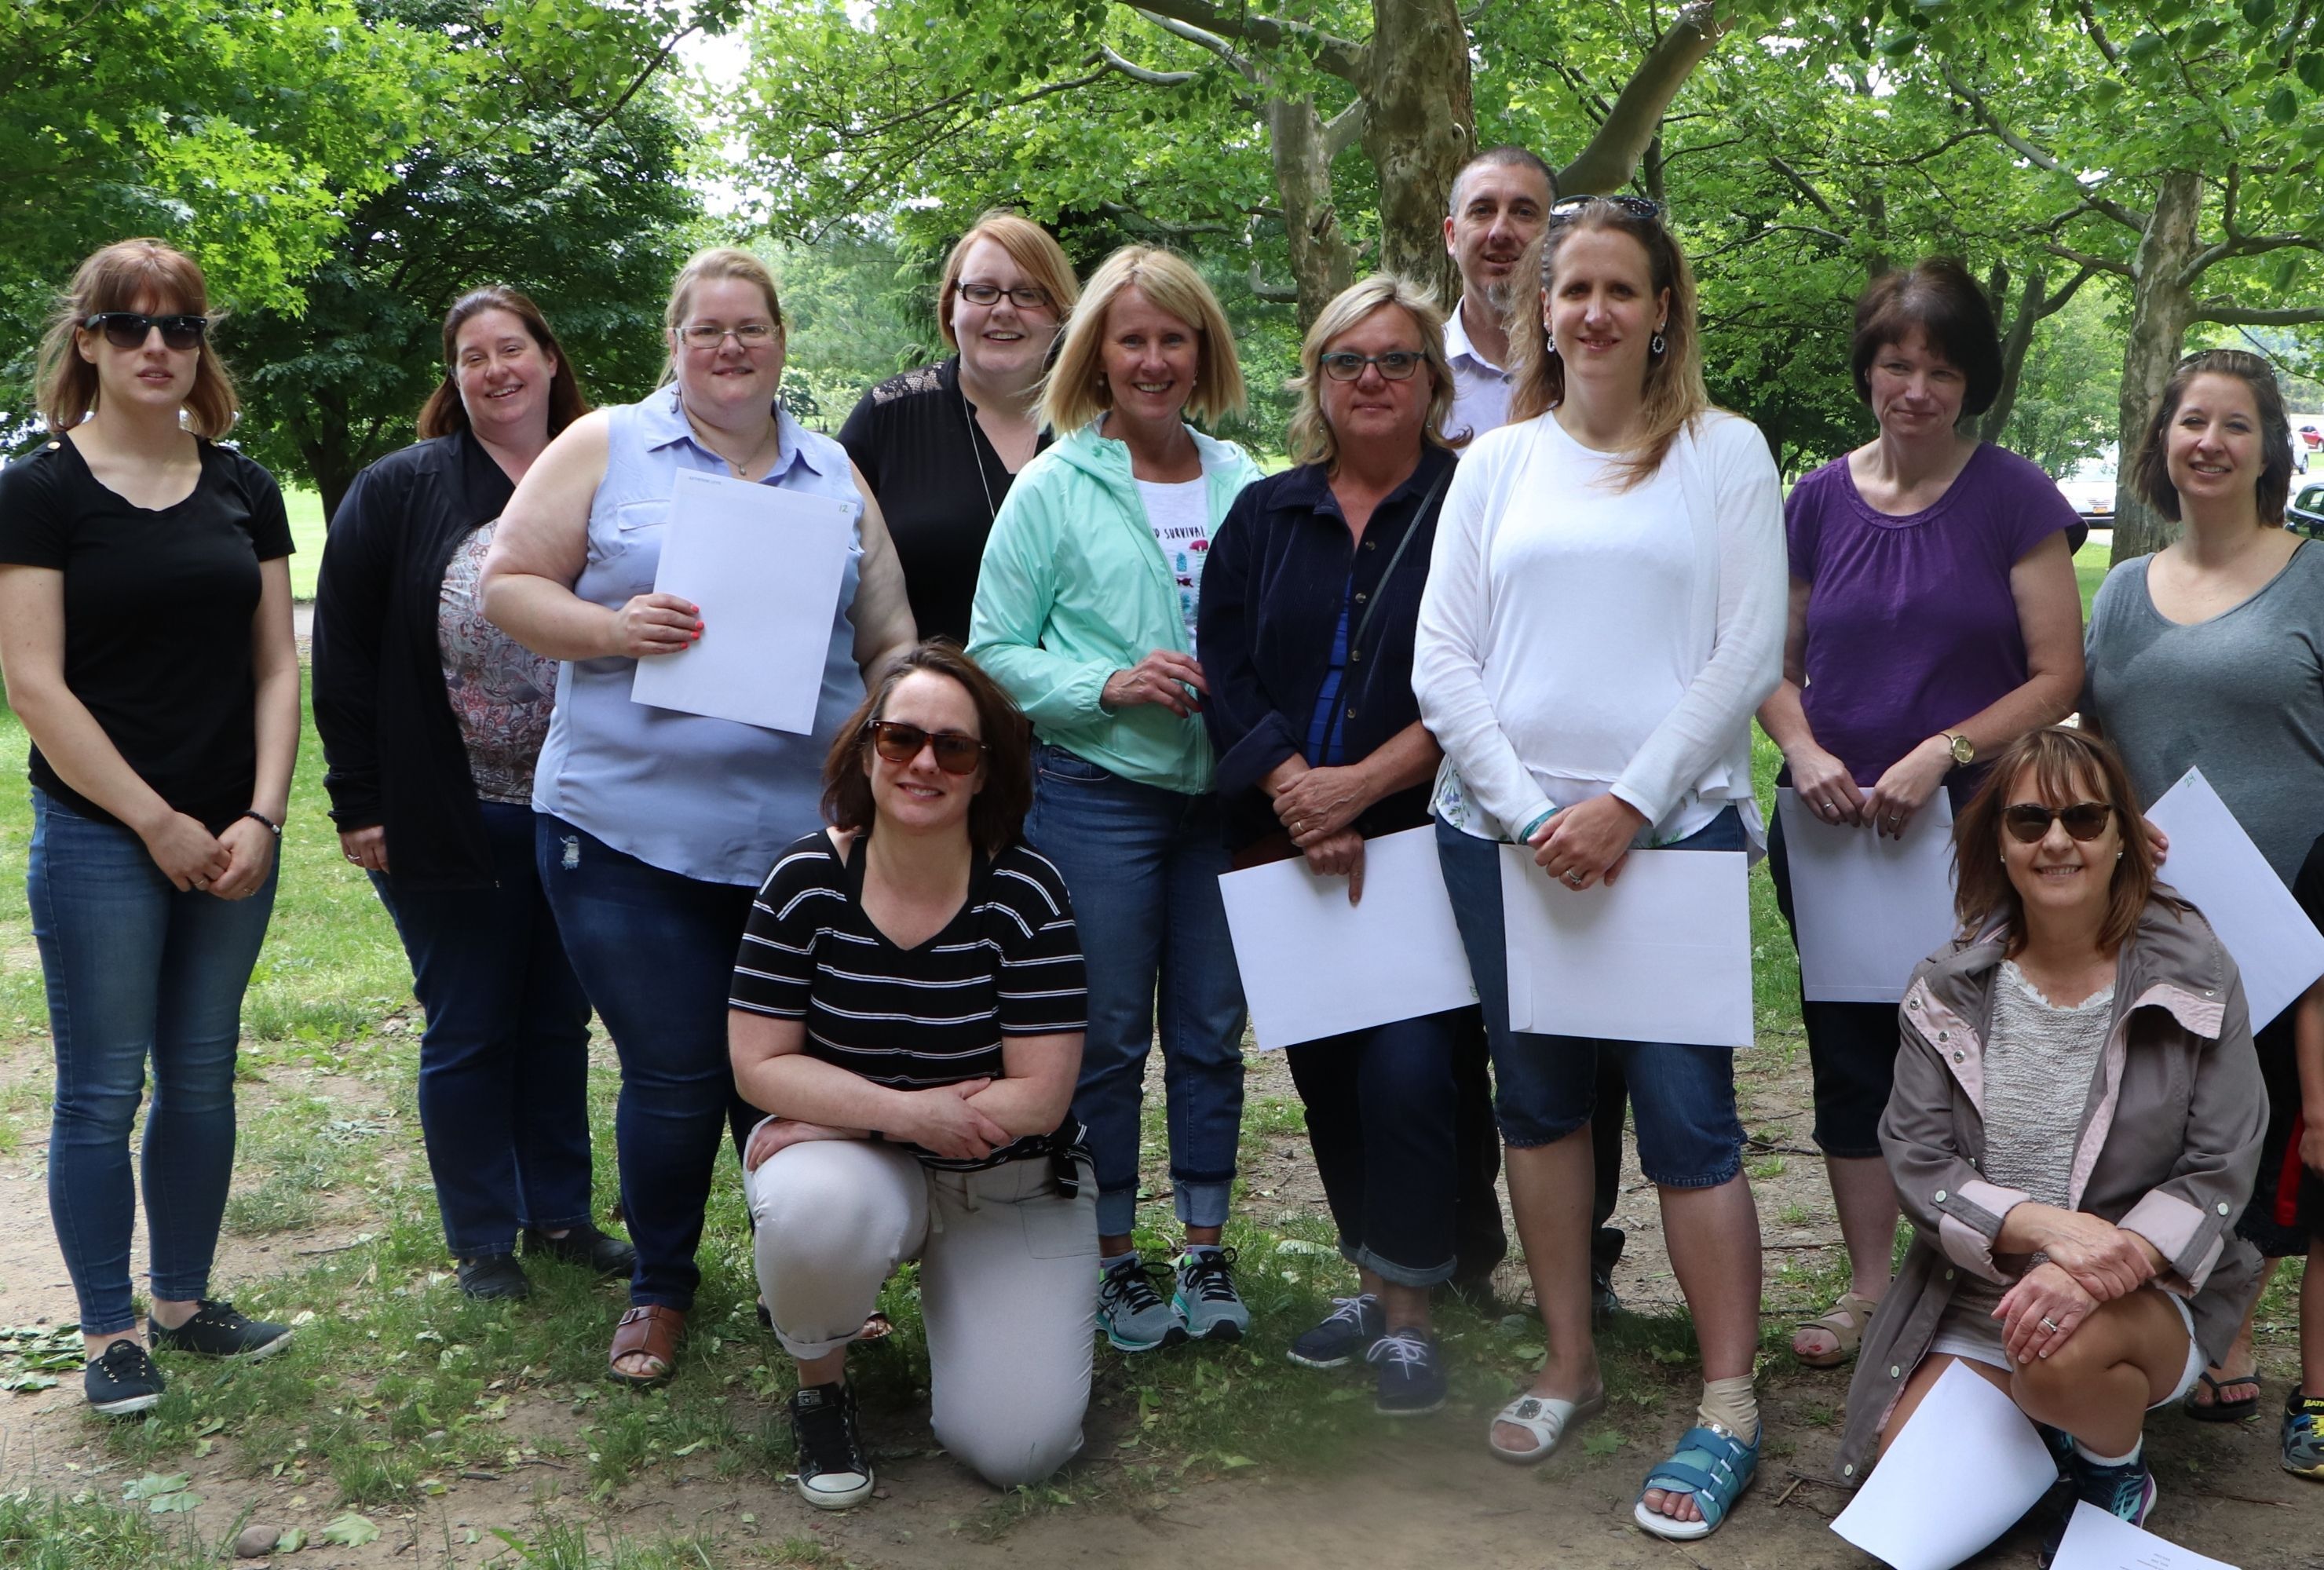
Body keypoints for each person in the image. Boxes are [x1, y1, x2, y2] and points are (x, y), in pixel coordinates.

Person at [1414, 195, 1785, 1537]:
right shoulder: (1495, 464)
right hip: (1504, 843)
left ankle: (1727, 1396)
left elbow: (1745, 651)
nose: (1593, 312)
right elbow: (1441, 659)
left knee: (1690, 1122)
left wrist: (1626, 804)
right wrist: (1528, 816)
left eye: (1621, 290)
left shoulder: (1723, 453)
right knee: (1540, 1105)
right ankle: (1569, 1355)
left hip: (1666, 843)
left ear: (1663, 309)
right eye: (1572, 291)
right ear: (1539, 311)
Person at [481, 248, 917, 1386]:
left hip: (801, 846)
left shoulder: (833, 474)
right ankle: (661, 1287)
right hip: (623, 832)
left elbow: (892, 641)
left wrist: (889, 754)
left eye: (751, 327)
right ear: (673, 343)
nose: (731, 346)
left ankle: (815, 1283)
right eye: (706, 328)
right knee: (678, 1068)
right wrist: (614, 629)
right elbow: (509, 584)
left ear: (781, 341)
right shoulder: (606, 447)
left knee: (799, 1064)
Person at [1757, 259, 2086, 1368]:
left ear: (1971, 383)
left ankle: (1982, 1280)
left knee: (1989, 1061)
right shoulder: (1813, 501)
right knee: (1853, 1056)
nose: (1916, 388)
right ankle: (1865, 1292)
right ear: (1868, 370)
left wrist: (1941, 751)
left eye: (1942, 370)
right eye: (1897, 363)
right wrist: (1802, 749)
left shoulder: (2016, 498)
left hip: (1978, 831)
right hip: (1835, 834)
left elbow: (2056, 677)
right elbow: (1771, 662)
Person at [1836, 727, 2266, 1554]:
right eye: (2029, 821)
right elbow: (1917, 1159)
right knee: (1909, 1525)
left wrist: (2104, 1264)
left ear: (2121, 837)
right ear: (1996, 841)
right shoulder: (1946, 982)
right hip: (1977, 1299)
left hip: (2143, 1295)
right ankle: (2054, 1434)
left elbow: (2221, 1160)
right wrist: (2044, 1228)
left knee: (2061, 1361)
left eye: (2082, 818)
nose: (2057, 840)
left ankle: (2113, 1466)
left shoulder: (2196, 969)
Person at [0, 239, 298, 1416]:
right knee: (100, 1090)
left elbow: (279, 667)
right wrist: (155, 821)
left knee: (204, 1076)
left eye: (181, 327)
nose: (159, 347)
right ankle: (108, 1330)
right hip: (99, 837)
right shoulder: (39, 490)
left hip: (236, 832)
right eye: (131, 326)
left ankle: (182, 1300)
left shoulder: (244, 486)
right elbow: (34, 684)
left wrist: (262, 814)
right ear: (88, 343)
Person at [967, 245, 1262, 1353]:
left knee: (1208, 1030)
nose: (1151, 359)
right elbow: (991, 653)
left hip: (1221, 806)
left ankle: (1205, 1247)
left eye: (1172, 338)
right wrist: (1105, 681)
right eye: (1131, 339)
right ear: (1097, 353)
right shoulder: (1053, 484)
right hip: (1099, 793)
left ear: (1202, 353)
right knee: (1099, 1041)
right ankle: (1111, 1258)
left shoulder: (1245, 482)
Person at [313, 287, 634, 1301]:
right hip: (450, 811)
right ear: (453, 380)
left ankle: (560, 1216)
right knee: (469, 1021)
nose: (495, 369)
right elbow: (346, 652)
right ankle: (483, 1239)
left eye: (512, 349)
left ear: (550, 359)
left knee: (556, 1019)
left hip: (579, 804)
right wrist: (358, 802)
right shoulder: (401, 489)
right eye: (471, 356)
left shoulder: (607, 475)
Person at [731, 642, 1094, 1509]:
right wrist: (902, 1115)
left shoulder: (1027, 891)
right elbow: (757, 1065)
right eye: (899, 739)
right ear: (866, 752)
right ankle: (821, 1383)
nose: (923, 761)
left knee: (1021, 1450)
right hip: (865, 1170)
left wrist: (838, 1110)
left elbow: (1038, 1096)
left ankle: (966, 1313)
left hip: (1006, 1178)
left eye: (954, 748)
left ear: (983, 773)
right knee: (813, 1203)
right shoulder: (803, 883)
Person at [1198, 276, 1465, 1414]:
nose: (1370, 378)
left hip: (1420, 837)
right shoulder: (1266, 513)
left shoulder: (1469, 503)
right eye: (1347, 360)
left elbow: (1483, 679)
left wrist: (1357, 790)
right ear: (1315, 379)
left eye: (1395, 360)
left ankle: (1409, 1313)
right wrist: (1297, 790)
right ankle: (1370, 1278)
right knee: (1328, 1077)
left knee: (1412, 1072)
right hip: (1279, 839)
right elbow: (1223, 660)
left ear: (1431, 383)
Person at [2081, 348, 2320, 1432]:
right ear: (2162, 442)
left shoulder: (2317, 573)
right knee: (2166, 1128)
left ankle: (2218, 1335)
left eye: (2235, 425)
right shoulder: (2125, 589)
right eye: (2192, 422)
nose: (2211, 442)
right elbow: (2094, 742)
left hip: (2298, 930)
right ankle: (2169, 1323)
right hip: (2158, 922)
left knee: (2276, 1138)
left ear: (2269, 450)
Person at [839, 211, 1080, 644]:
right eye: (982, 291)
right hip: (923, 704)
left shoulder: (1099, 427)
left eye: (1029, 294)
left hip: (1083, 704)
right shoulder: (887, 416)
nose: (1004, 310)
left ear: (1061, 313)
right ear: (951, 307)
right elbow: (823, 569)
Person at [1441, 146, 1555, 444]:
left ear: (1555, 234)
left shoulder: (1588, 367)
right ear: (1452, 236)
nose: (1500, 232)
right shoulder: (1415, 372)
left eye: (1524, 212)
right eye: (1482, 211)